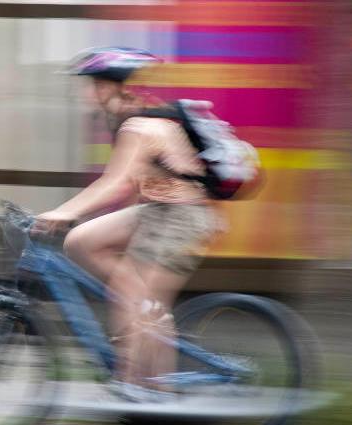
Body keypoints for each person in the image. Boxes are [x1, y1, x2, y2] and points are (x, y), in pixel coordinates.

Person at [33, 47, 221, 402]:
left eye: (89, 85)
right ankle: (141, 312)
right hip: (157, 211)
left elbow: (114, 183)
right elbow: (138, 181)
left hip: (184, 215)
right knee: (81, 242)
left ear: (106, 87)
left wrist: (62, 212)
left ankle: (148, 385)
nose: (85, 93)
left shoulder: (136, 124)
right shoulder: (126, 115)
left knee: (136, 292)